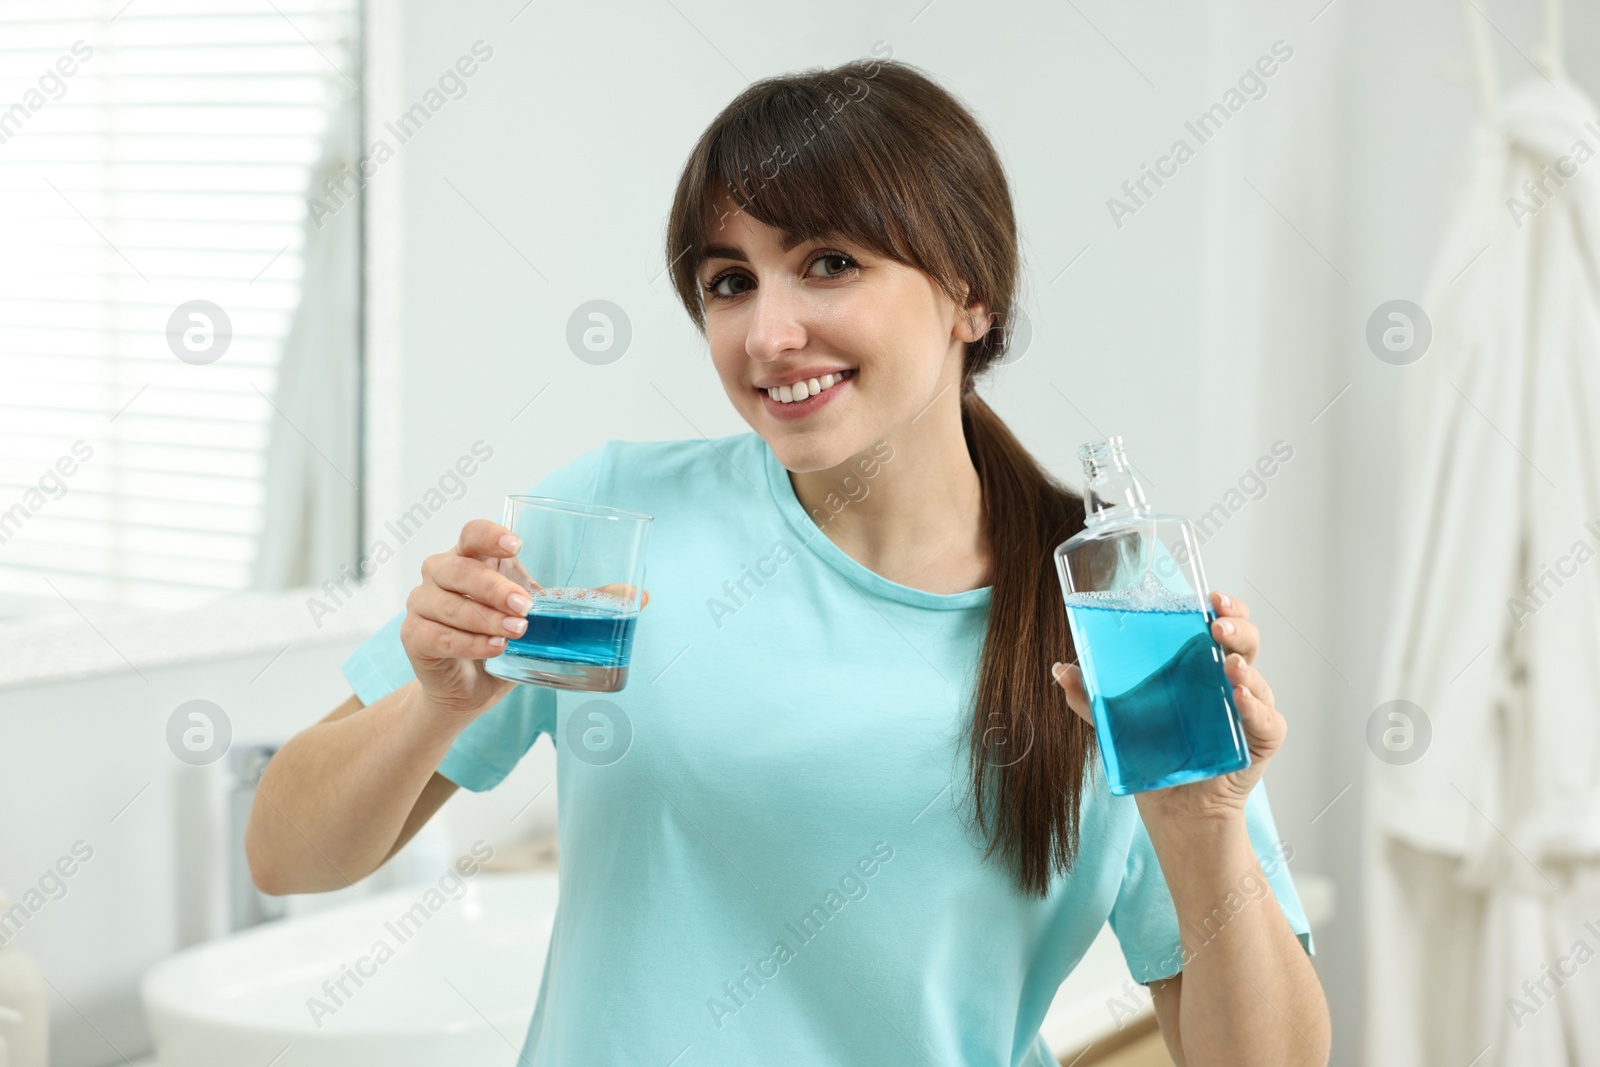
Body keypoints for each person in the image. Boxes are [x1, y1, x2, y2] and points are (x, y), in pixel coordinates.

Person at [246, 57, 1331, 1066]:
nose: (766, 334)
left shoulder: (1109, 616)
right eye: (728, 282)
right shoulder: (617, 516)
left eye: (827, 264)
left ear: (970, 295)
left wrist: (1201, 825)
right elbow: (287, 853)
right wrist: (434, 703)